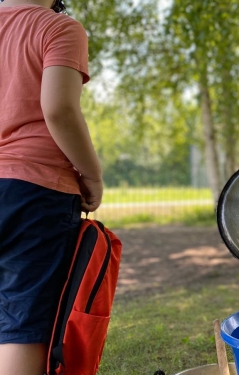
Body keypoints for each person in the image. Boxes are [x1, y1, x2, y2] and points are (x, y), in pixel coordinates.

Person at [0, 1, 103, 374]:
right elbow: (58, 108)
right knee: (22, 327)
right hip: (32, 192)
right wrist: (91, 175)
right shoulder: (58, 28)